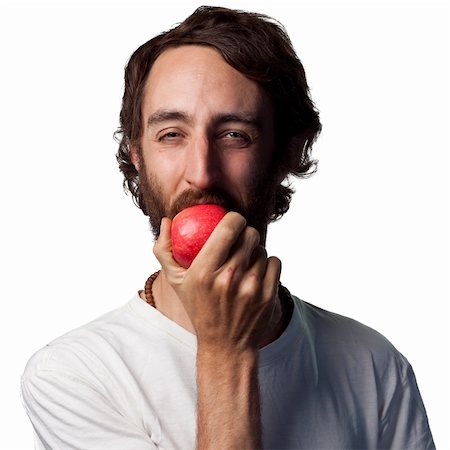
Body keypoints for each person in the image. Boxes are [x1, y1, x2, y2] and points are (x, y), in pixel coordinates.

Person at [21, 6, 435, 449]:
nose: (201, 173)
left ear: (286, 153)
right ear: (137, 156)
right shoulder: (75, 375)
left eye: (234, 134)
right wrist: (225, 352)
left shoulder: (374, 365)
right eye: (171, 134)